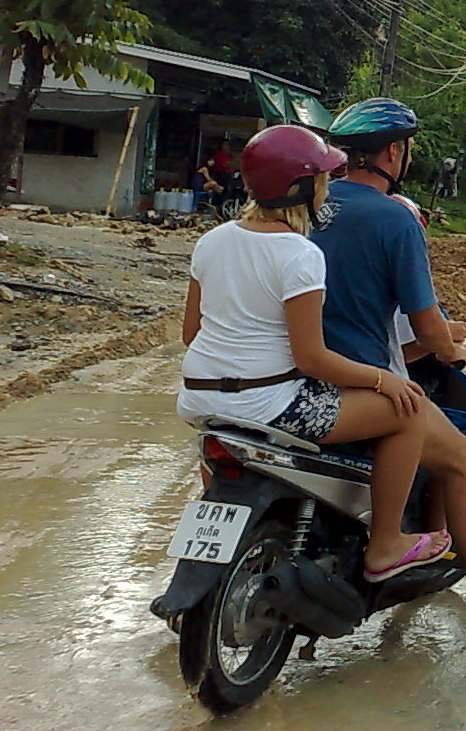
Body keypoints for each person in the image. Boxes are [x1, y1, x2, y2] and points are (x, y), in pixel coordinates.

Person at [318, 97, 466, 645]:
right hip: (367, 383)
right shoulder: (394, 218)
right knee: (462, 462)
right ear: (394, 152)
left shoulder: (309, 208)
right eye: (406, 149)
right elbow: (427, 326)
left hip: (293, 379)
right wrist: (449, 351)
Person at [176, 125, 451, 584]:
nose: (327, 188)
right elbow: (312, 359)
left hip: (200, 400)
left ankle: (218, 566)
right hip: (266, 404)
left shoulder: (213, 240)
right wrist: (384, 379)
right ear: (304, 188)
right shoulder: (299, 253)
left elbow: (192, 333)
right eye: (323, 179)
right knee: (409, 410)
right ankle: (386, 542)